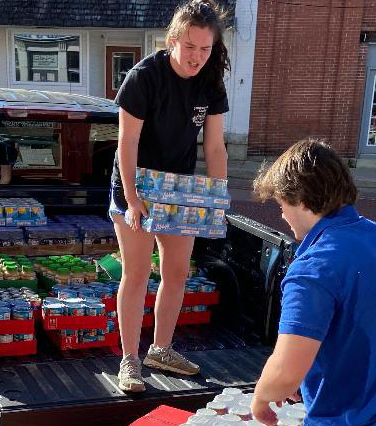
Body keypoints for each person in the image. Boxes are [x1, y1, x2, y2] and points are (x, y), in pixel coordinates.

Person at [249, 138, 376, 425]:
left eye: (281, 204)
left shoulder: (312, 269)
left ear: (302, 201)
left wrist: (261, 396)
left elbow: (285, 372)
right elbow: (361, 322)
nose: (281, 214)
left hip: (358, 417)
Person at [109, 0, 230, 393]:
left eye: (205, 49)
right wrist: (132, 200)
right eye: (190, 46)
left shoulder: (210, 81)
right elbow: (127, 143)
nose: (197, 57)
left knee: (177, 272)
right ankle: (129, 359)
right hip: (137, 183)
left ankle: (160, 349)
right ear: (174, 38)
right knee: (138, 273)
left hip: (180, 188)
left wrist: (216, 200)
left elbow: (214, 149)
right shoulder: (144, 77)